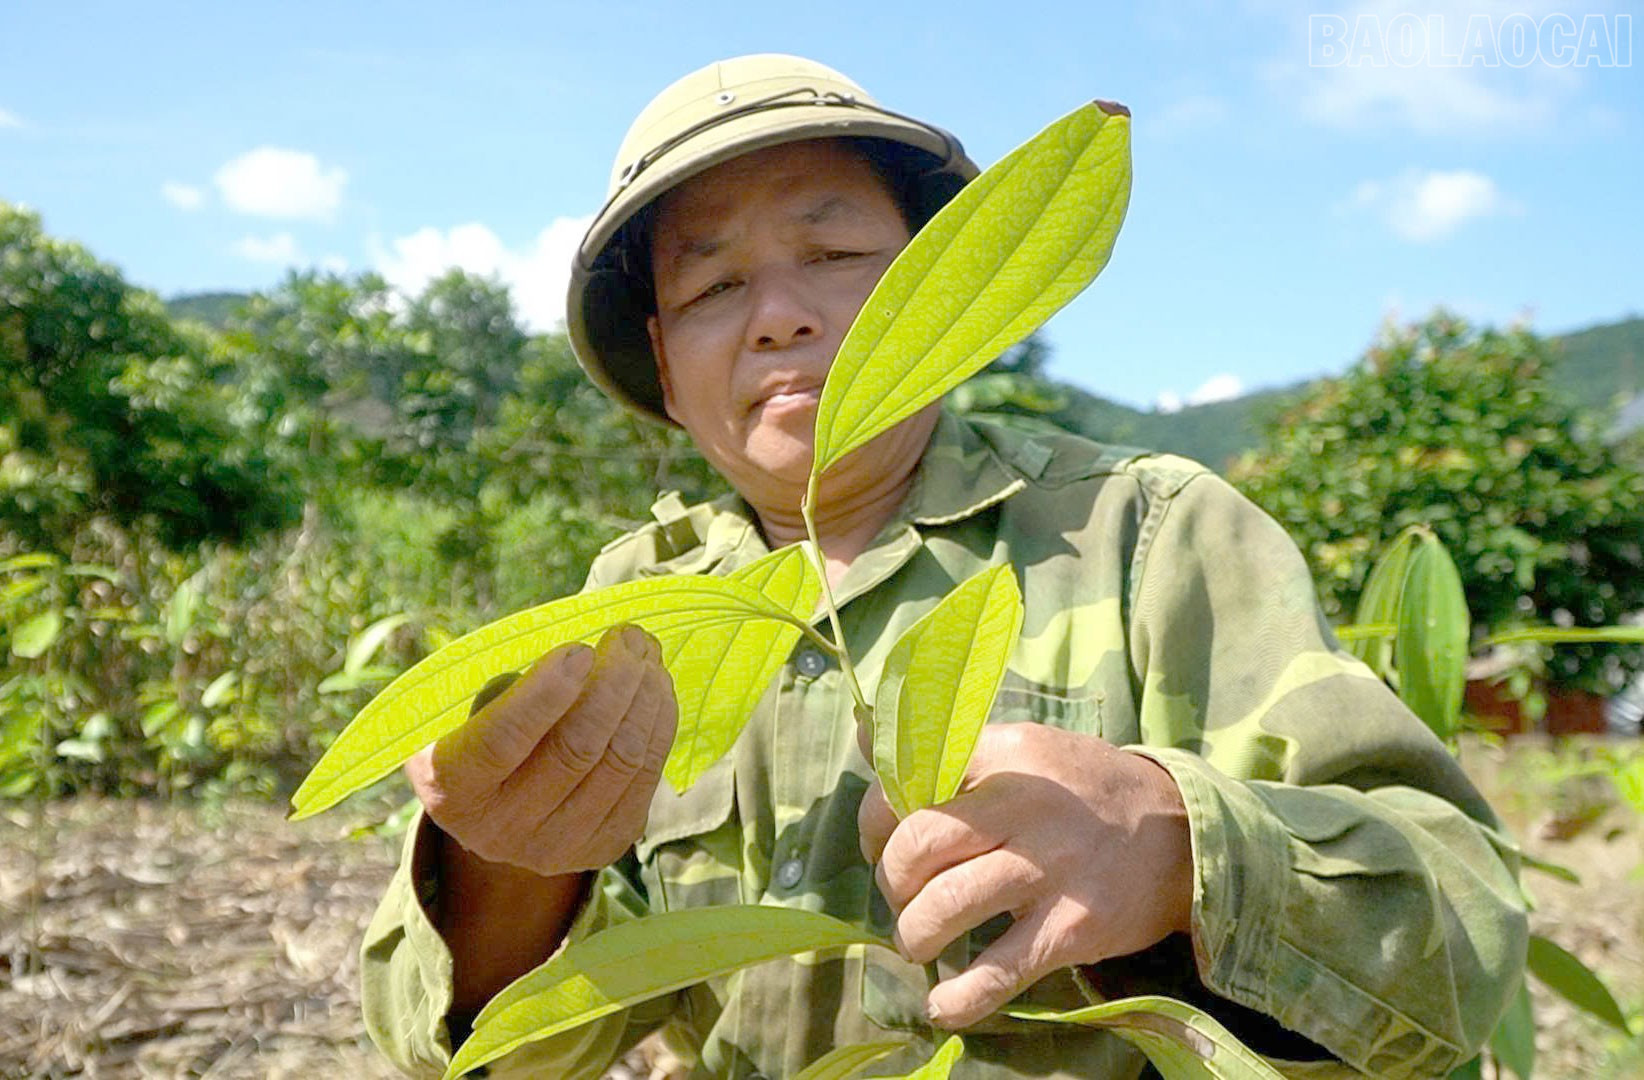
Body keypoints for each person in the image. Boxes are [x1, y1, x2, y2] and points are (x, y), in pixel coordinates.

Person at [360, 55, 1527, 1079]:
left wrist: (1180, 854)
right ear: (665, 365)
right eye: (713, 284)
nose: (776, 315)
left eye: (834, 250)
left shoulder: (1149, 533)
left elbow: (1463, 943)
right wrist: (508, 864)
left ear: (950, 290)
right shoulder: (626, 616)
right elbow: (467, 1048)